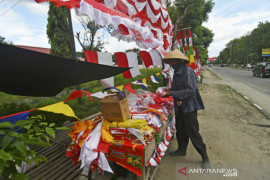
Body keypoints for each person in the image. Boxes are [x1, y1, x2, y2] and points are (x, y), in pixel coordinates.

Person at [161, 49, 210, 167]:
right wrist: (168, 90)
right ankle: (182, 150)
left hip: (189, 108)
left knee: (193, 132)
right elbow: (177, 89)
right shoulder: (177, 73)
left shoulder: (188, 72)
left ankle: (205, 157)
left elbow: (190, 91)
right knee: (181, 130)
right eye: (170, 62)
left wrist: (171, 94)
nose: (171, 65)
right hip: (180, 107)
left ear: (178, 61)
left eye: (172, 62)